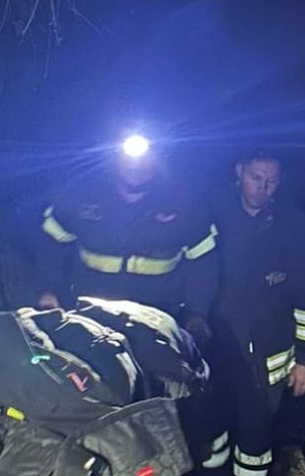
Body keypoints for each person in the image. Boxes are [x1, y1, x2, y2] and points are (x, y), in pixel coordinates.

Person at [199, 147, 305, 476]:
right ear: (239, 170)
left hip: (266, 358)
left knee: (254, 438)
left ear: (281, 180)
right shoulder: (210, 213)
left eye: (271, 180)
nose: (263, 187)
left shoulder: (299, 229)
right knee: (210, 430)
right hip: (214, 349)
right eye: (256, 177)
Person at [35, 134, 219, 344]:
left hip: (158, 319)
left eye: (145, 157)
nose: (136, 166)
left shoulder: (183, 203)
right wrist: (49, 289)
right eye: (129, 157)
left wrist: (197, 313)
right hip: (89, 316)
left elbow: (204, 263)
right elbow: (50, 244)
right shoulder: (81, 195)